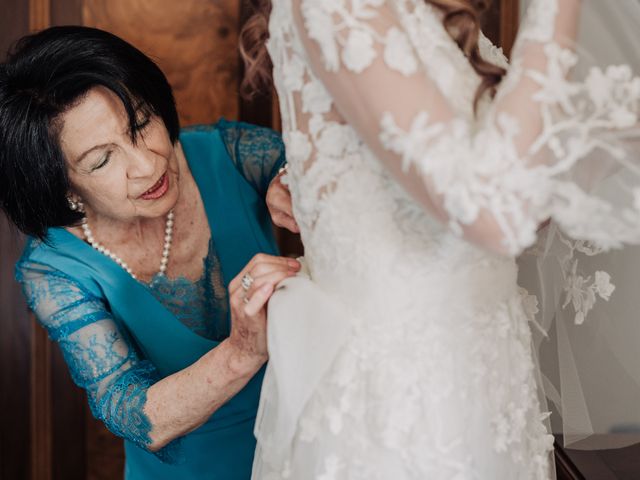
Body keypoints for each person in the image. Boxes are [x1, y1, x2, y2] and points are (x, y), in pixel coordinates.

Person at [241, 0, 640, 479]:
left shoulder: (423, 12)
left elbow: (517, 184)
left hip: (485, 373)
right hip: (406, 396)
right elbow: (492, 210)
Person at [0, 26, 300, 479]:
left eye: (141, 123)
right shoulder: (52, 269)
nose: (148, 164)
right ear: (61, 185)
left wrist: (294, 181)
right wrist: (242, 351)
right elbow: (130, 411)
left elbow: (300, 164)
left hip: (306, 448)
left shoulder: (230, 153)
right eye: (101, 160)